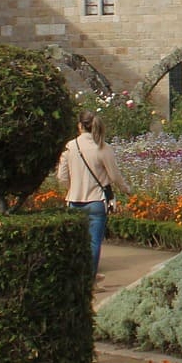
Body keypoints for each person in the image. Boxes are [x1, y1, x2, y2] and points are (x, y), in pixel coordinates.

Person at [57, 111, 124, 278]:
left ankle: (78, 279)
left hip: (74, 200)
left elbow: (61, 176)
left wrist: (71, 188)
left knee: (77, 243)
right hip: (96, 201)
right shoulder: (102, 147)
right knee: (94, 243)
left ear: (80, 126)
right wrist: (127, 189)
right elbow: (115, 176)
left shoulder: (70, 146)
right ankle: (90, 279)